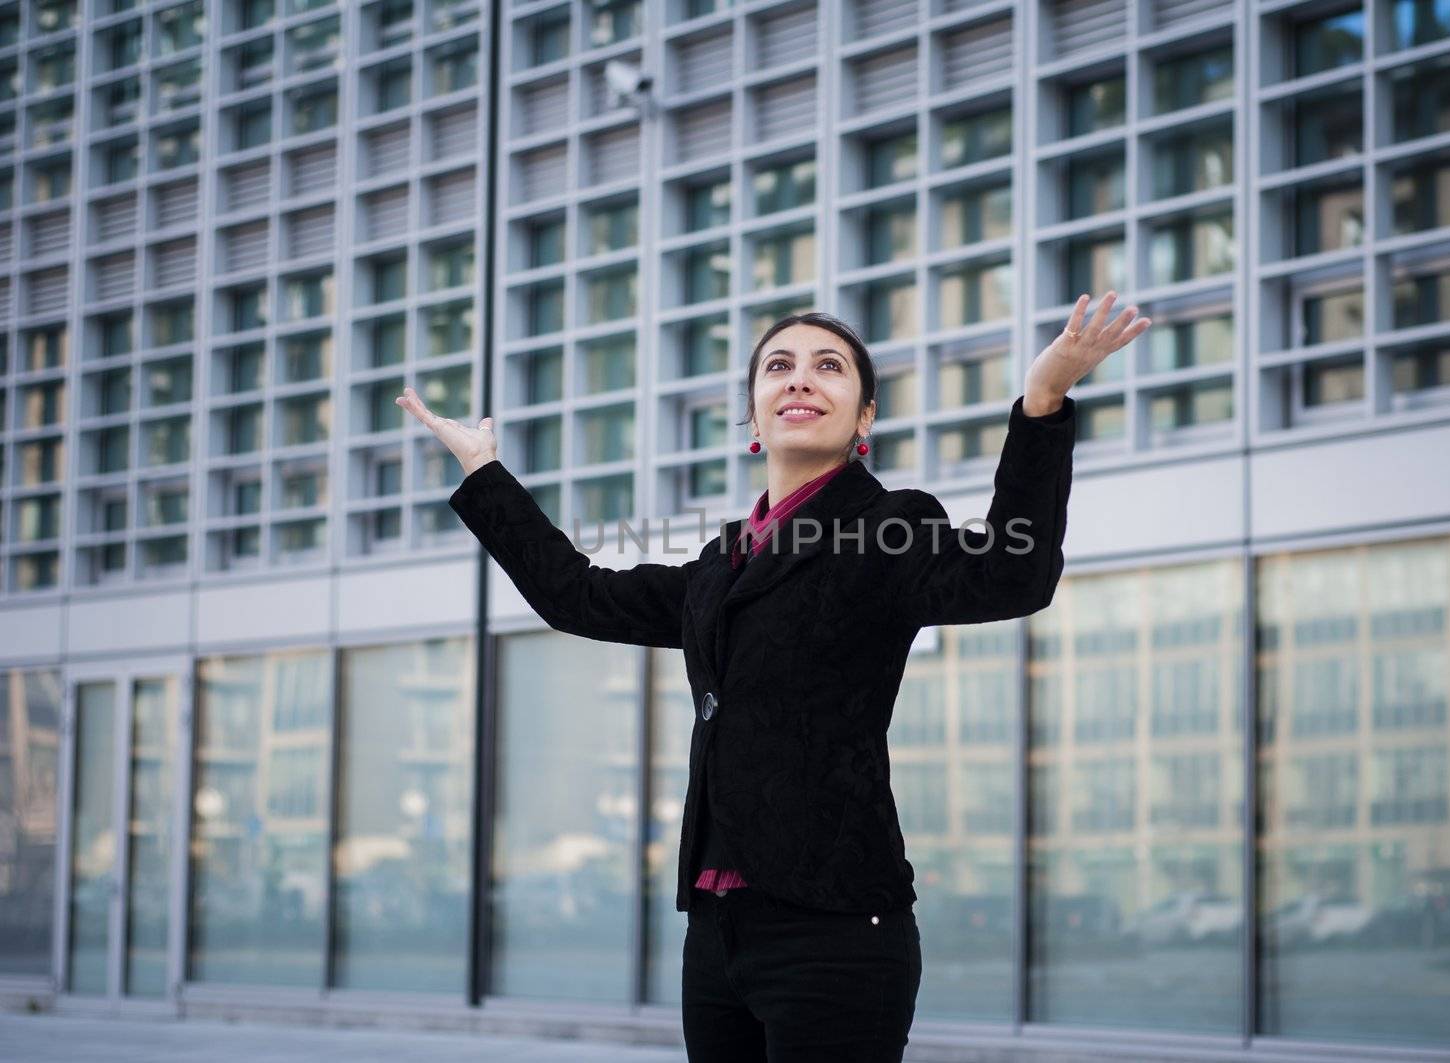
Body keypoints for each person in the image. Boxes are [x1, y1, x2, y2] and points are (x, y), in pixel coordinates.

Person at [397, 291, 1149, 1062]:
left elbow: (1011, 574)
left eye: (829, 367)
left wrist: (1043, 402)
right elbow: (577, 595)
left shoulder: (888, 528)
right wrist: (484, 471)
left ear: (863, 421)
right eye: (779, 367)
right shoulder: (721, 566)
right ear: (754, 422)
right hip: (716, 940)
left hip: (835, 933)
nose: (800, 380)